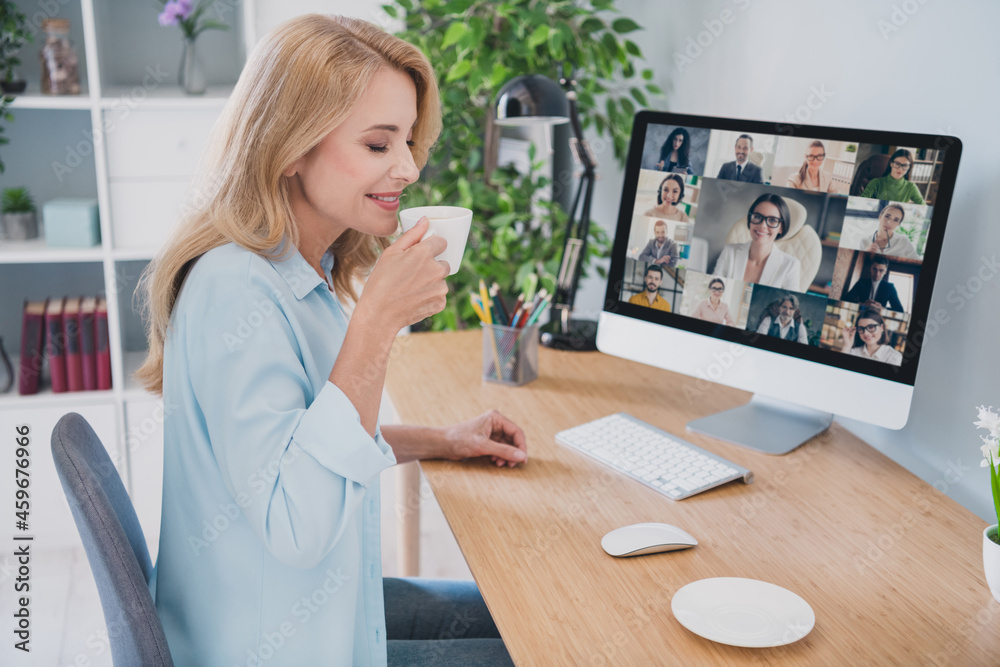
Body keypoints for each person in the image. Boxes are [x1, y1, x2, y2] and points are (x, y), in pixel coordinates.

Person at [136, 16, 526, 667]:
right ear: (290, 149)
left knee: (522, 609)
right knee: (544, 644)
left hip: (308, 610)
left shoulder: (295, 271)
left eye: (407, 141)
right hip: (273, 643)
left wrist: (445, 440)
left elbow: (313, 435)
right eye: (379, 144)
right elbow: (298, 523)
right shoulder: (237, 290)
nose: (407, 167)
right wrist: (375, 324)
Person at [712, 193, 801, 290]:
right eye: (757, 217)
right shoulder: (729, 251)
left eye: (772, 220)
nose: (763, 225)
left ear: (781, 228)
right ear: (750, 220)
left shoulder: (791, 266)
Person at [860, 148, 925, 204]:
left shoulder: (911, 187)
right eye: (897, 164)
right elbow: (860, 202)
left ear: (909, 167)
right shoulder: (876, 182)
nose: (900, 169)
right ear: (891, 163)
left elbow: (923, 207)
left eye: (905, 165)